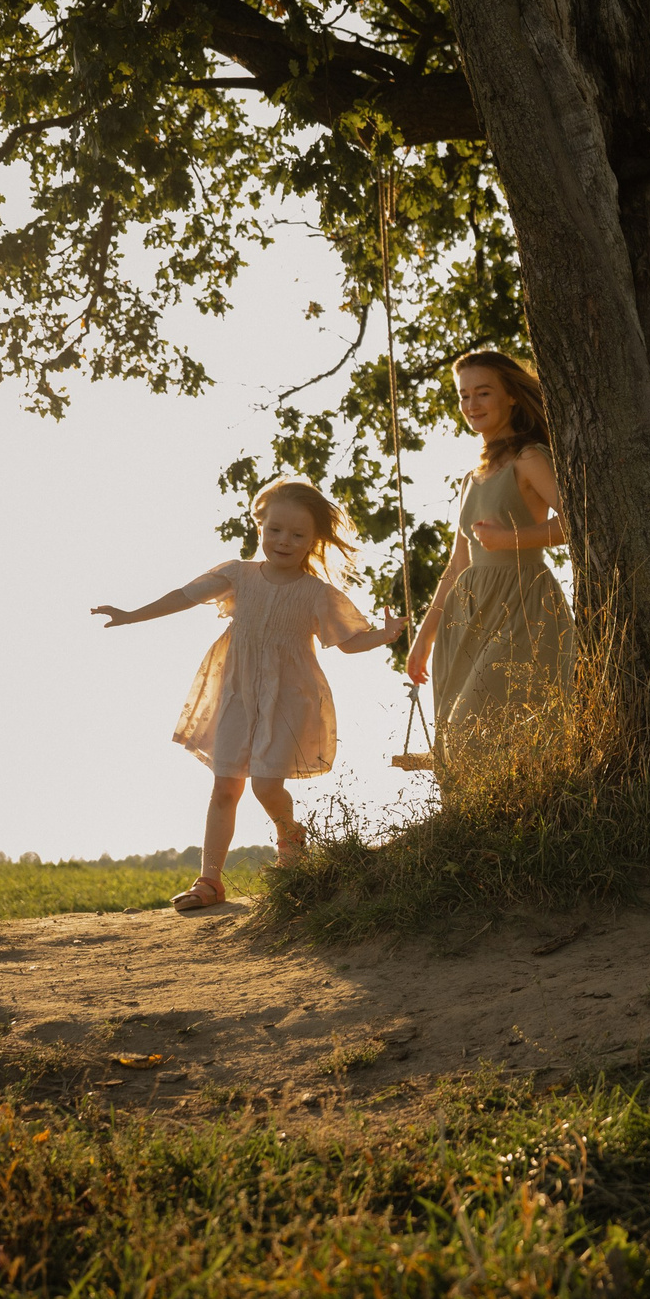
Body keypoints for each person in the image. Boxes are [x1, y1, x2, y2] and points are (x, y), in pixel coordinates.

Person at [91, 478, 403, 909]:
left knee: (265, 786)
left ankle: (291, 839)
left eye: (298, 534)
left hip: (288, 698)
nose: (284, 541)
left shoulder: (317, 594)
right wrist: (130, 615)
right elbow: (183, 597)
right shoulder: (238, 575)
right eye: (275, 529)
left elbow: (348, 641)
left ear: (314, 540)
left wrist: (383, 635)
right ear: (260, 524)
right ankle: (209, 881)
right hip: (235, 692)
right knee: (225, 787)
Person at [407, 350, 576, 753]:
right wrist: (424, 637)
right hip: (468, 613)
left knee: (477, 729)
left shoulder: (530, 457)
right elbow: (457, 564)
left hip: (522, 605)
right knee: (454, 736)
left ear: (511, 397)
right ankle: (483, 817)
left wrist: (511, 540)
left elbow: (578, 524)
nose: (471, 405)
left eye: (482, 393)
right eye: (464, 396)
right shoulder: (470, 478)